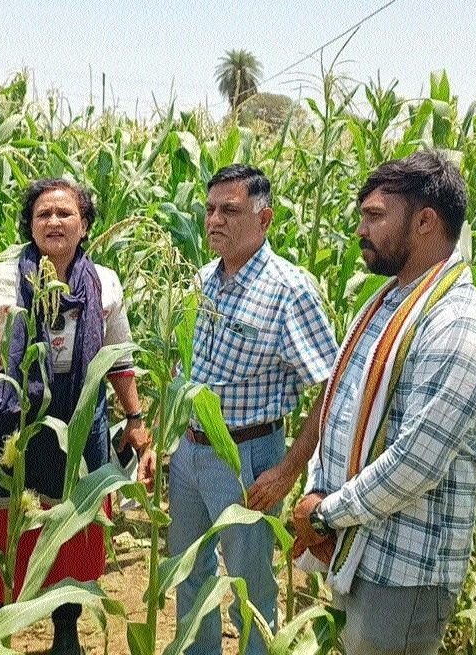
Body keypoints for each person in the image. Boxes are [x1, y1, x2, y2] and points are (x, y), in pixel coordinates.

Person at [290, 151, 476, 654]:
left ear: (425, 221)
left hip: (403, 573)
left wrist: (324, 513)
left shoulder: (460, 325)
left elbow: (415, 464)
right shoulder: (388, 304)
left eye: (375, 216)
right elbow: (341, 409)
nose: (361, 229)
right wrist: (318, 494)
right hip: (358, 549)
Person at [0, 178, 153, 655]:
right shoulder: (1, 280)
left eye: (65, 213)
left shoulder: (103, 283)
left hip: (80, 422)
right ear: (30, 225)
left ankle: (66, 630)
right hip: (12, 421)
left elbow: (118, 359)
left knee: (74, 525)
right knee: (4, 522)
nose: (54, 222)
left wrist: (136, 418)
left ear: (84, 225)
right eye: (43, 214)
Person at [170, 164, 339, 655]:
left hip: (245, 459)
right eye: (209, 210)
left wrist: (288, 470)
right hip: (189, 451)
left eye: (229, 210)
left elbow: (332, 388)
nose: (214, 220)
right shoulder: (203, 281)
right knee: (188, 573)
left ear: (264, 219)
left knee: (249, 586)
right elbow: (185, 369)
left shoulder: (289, 291)